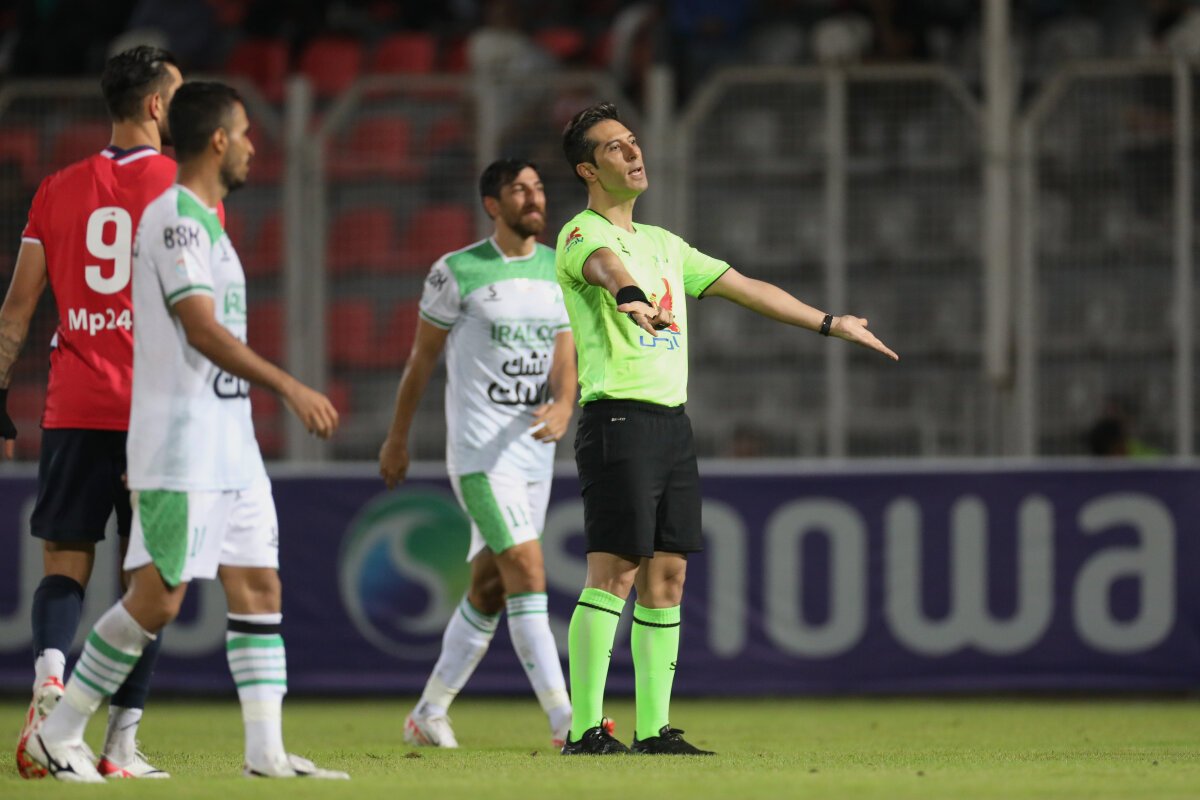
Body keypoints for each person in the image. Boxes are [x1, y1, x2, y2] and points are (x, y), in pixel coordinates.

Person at [24, 81, 346, 783]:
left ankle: (265, 752)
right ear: (219, 140)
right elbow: (199, 328)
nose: (255, 147)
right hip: (179, 443)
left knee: (258, 586)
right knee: (157, 597)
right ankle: (59, 730)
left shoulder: (208, 222)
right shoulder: (173, 219)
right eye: (246, 133)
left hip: (231, 442)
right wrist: (289, 386)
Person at [555, 102, 899, 755]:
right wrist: (629, 295)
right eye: (614, 148)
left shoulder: (664, 244)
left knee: (668, 577)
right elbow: (605, 266)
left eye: (633, 141)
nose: (633, 153)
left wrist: (831, 323)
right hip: (617, 418)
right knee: (615, 572)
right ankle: (584, 731)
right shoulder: (580, 233)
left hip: (670, 423)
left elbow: (745, 286)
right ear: (587, 170)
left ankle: (653, 731)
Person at [1, 46, 193, 780]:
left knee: (65, 560)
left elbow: (16, 312)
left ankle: (51, 679)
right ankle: (118, 745)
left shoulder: (55, 189)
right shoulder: (184, 188)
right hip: (155, 410)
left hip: (75, 405)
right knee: (150, 582)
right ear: (155, 104)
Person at [379, 158, 576, 749]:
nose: (533, 198)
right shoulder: (457, 271)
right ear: (493, 205)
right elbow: (421, 361)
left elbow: (565, 352)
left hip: (534, 454)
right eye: (519, 189)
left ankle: (428, 712)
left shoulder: (557, 269)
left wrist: (565, 404)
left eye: (538, 188)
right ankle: (569, 723)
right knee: (529, 572)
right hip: (480, 458)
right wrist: (396, 438)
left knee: (490, 588)